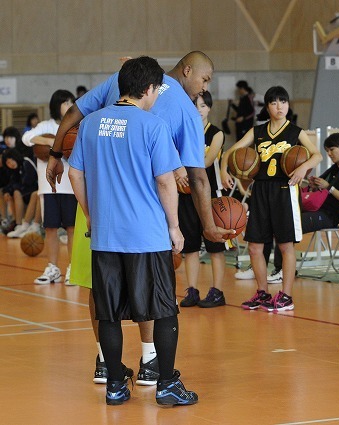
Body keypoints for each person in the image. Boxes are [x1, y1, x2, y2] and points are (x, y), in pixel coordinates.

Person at [46, 51, 232, 386]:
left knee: (103, 299)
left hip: (100, 216)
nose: (204, 88)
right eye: (205, 80)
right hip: (145, 220)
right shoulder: (172, 117)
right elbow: (187, 179)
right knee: (154, 297)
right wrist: (193, 226)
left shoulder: (98, 112)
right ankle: (152, 364)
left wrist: (56, 155)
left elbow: (74, 127)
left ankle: (108, 369)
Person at [68, 56, 197, 406]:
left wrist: (90, 215)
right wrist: (175, 227)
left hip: (106, 237)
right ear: (150, 89)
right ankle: (167, 384)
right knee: (164, 309)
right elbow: (165, 182)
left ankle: (114, 385)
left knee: (108, 313)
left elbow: (75, 174)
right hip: (147, 236)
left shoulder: (90, 124)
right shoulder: (153, 125)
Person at [221, 86, 322, 312]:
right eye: (274, 103)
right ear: (267, 107)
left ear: (288, 104)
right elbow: (231, 151)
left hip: (285, 190)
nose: (279, 107)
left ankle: (286, 296)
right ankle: (263, 293)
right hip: (260, 190)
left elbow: (317, 155)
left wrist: (303, 167)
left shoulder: (295, 131)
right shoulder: (257, 131)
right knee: (255, 247)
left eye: (283, 102)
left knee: (285, 246)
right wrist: (223, 170)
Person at [271, 132, 339, 282]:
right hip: (317, 210)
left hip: (329, 215)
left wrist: (329, 187)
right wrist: (313, 184)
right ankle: (282, 268)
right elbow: (320, 186)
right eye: (327, 151)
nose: (329, 154)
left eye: (332, 150)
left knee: (288, 224)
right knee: (282, 219)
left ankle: (283, 270)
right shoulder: (333, 169)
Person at [21, 90, 77, 284]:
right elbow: (27, 138)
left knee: (71, 228)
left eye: (71, 102)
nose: (70, 105)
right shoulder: (45, 126)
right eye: (66, 102)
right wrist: (51, 142)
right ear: (56, 105)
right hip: (48, 187)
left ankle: (73, 269)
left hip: (71, 187)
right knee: (51, 229)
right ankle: (52, 267)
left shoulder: (76, 126)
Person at [179, 90, 228, 308]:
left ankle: (217, 291)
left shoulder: (216, 133)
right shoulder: (183, 132)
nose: (198, 110)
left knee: (215, 246)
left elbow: (207, 161)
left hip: (211, 194)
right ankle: (192, 290)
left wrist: (181, 166)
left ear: (209, 108)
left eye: (203, 106)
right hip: (187, 195)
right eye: (194, 106)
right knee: (190, 247)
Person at [2, 148, 37, 238]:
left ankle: (22, 225)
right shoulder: (15, 170)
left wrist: (14, 188)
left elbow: (28, 182)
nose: (11, 164)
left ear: (15, 157)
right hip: (26, 194)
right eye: (8, 163)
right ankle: (18, 225)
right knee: (11, 193)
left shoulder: (26, 162)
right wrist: (7, 191)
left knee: (17, 192)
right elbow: (12, 183)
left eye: (11, 160)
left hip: (34, 191)